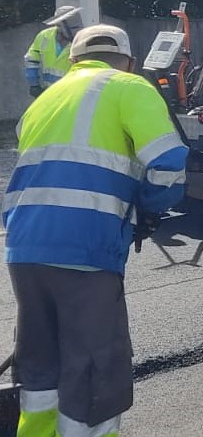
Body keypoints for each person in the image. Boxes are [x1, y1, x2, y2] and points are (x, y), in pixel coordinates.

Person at [3, 24, 188, 437]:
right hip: (85, 248)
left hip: (23, 247)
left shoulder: (44, 100)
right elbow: (168, 162)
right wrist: (150, 207)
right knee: (94, 368)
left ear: (72, 61)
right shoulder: (130, 87)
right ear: (130, 62)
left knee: (40, 364)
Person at [24, 5, 83, 98]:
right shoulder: (44, 36)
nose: (76, 31)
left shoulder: (84, 41)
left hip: (71, 95)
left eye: (77, 26)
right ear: (58, 25)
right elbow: (31, 60)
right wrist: (34, 84)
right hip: (47, 92)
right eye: (72, 27)